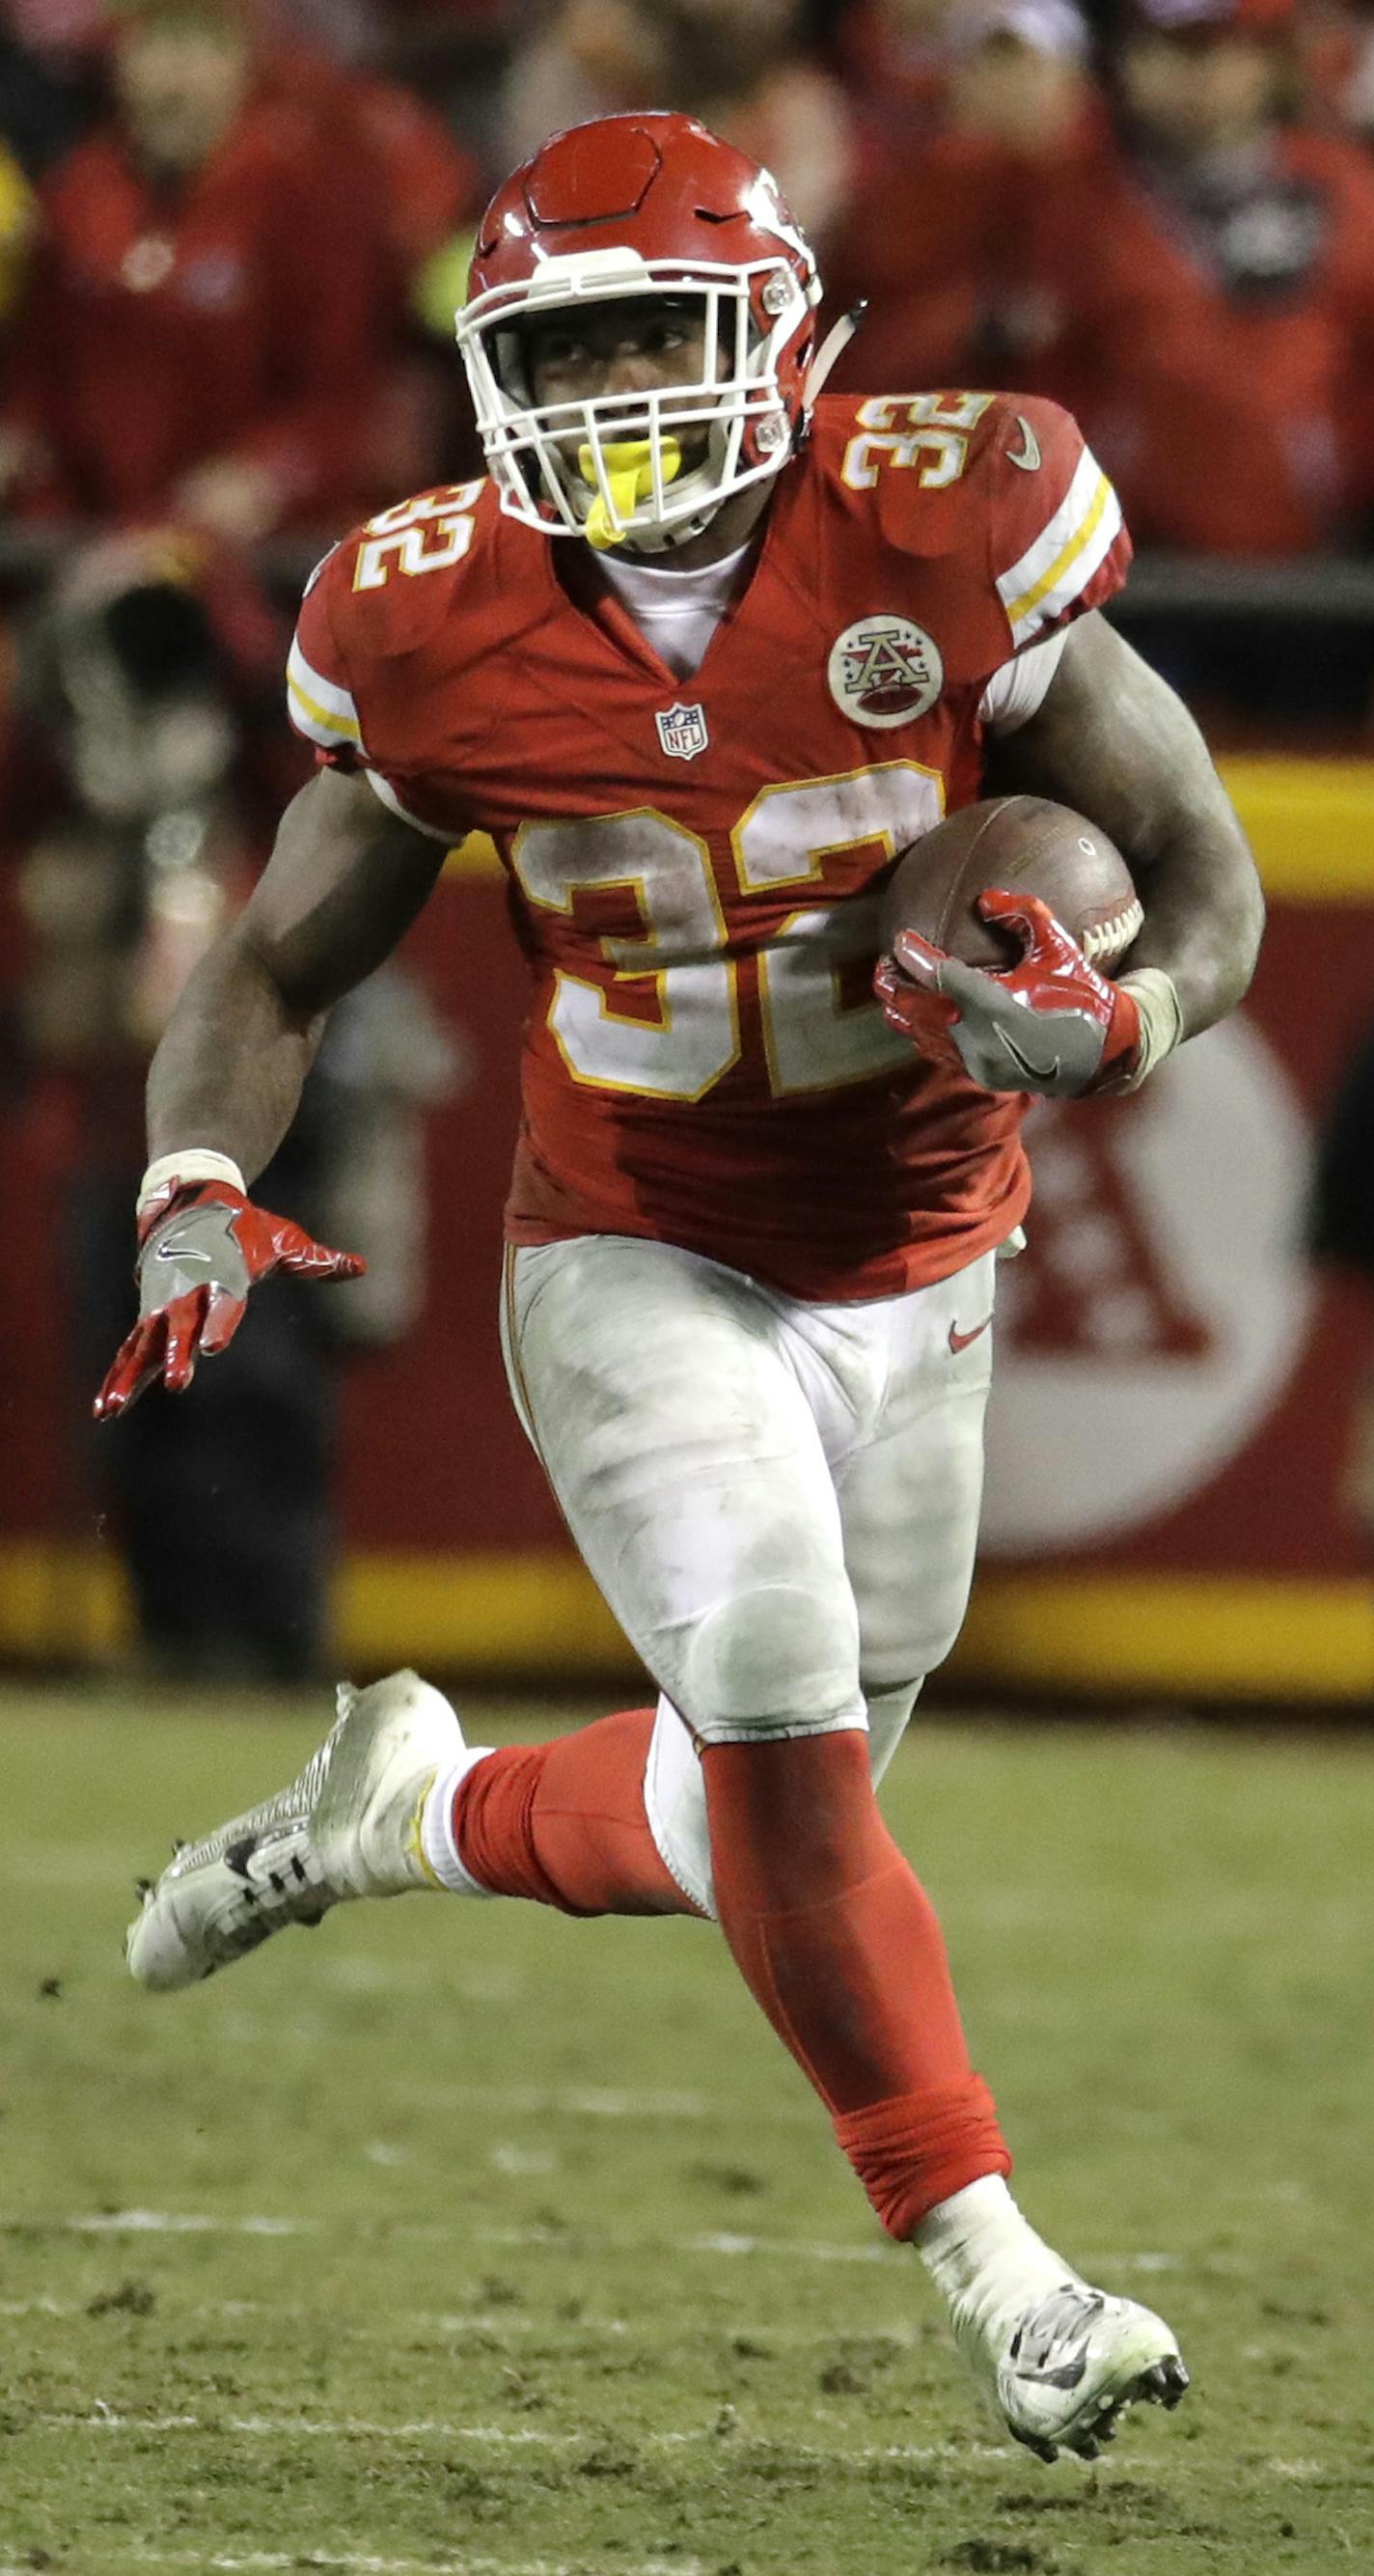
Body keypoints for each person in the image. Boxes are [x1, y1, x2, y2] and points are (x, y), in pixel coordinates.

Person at [100, 113, 1264, 2465]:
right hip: (634, 1240)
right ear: (492, 367)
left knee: (763, 1815)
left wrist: (1120, 1018)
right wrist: (196, 1174)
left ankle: (392, 1815)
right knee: (766, 1692)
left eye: (662, 326)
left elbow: (1200, 872)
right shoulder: (425, 613)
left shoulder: (951, 518)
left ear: (788, 335)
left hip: (928, 1253)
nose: (622, 382)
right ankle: (1007, 2282)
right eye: (570, 342)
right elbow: (276, 956)